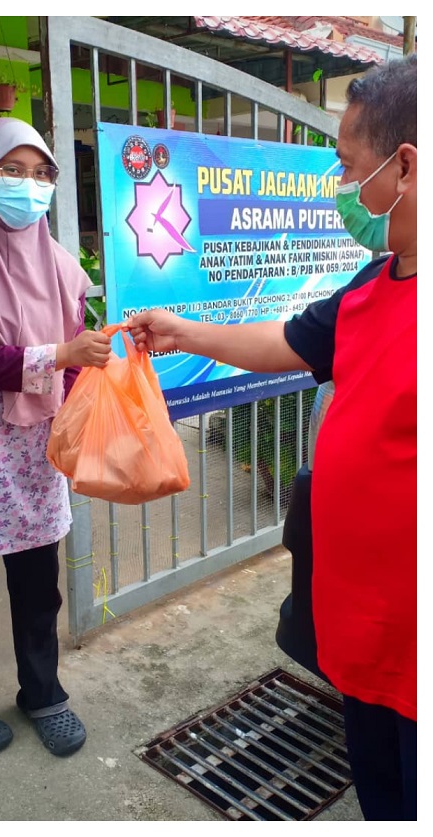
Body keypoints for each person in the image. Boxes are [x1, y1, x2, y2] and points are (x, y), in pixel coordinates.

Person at [125, 55, 416, 820]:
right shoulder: (368, 287)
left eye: (350, 167)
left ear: (405, 166)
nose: (342, 187)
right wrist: (183, 328)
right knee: (382, 794)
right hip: (360, 623)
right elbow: (284, 341)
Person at [0, 117, 113, 758]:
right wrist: (61, 352)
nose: (29, 186)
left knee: (38, 583)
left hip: (36, 446)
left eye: (42, 175)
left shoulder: (63, 266)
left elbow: (72, 363)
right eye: (12, 171)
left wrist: (77, 412)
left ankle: (42, 692)